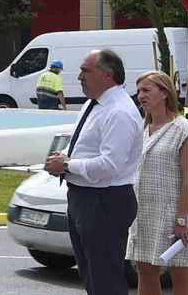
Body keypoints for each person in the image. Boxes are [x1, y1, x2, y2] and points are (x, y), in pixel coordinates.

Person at [43, 49, 142, 295]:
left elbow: (109, 165)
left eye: (85, 71)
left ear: (107, 75)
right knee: (91, 276)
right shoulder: (93, 104)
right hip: (84, 197)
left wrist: (66, 166)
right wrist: (63, 158)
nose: (79, 77)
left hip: (105, 201)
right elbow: (83, 145)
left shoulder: (119, 112)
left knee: (105, 279)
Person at [128, 70, 188, 295]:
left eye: (146, 90)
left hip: (174, 213)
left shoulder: (183, 128)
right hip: (144, 213)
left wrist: (181, 219)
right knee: (145, 271)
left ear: (164, 93)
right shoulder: (142, 129)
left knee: (180, 273)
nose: (140, 96)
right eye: (138, 92)